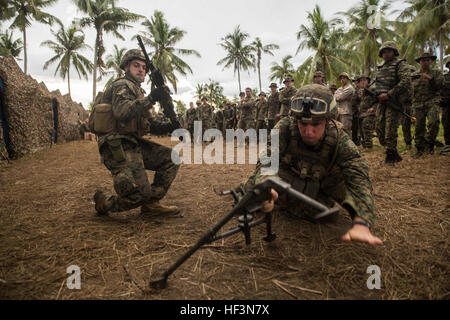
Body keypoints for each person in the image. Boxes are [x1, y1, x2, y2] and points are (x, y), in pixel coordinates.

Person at [244, 84, 382, 245]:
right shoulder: (284, 128)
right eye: (303, 124)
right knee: (251, 192)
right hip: (287, 176)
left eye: (316, 125)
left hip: (322, 183)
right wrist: (266, 185)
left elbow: (359, 178)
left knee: (321, 212)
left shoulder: (340, 140)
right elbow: (268, 159)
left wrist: (361, 221)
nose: (309, 132)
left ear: (328, 120)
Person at [93, 49, 181, 217]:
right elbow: (122, 112)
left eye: (143, 67)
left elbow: (149, 124)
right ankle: (106, 204)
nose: (141, 70)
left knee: (172, 158)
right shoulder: (122, 85)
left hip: (132, 142)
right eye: (136, 66)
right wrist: (152, 98)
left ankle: (150, 204)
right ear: (126, 67)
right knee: (138, 192)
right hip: (116, 144)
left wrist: (171, 126)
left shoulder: (137, 90)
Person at [374, 41, 411, 164]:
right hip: (381, 102)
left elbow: (405, 81)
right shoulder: (381, 67)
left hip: (394, 102)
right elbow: (377, 84)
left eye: (388, 51)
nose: (386, 54)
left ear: (394, 52)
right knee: (379, 128)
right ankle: (393, 152)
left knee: (390, 129)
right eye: (384, 52)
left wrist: (389, 94)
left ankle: (390, 155)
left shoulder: (400, 64)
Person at [410, 52, 443, 157]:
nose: (425, 62)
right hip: (417, 104)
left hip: (432, 101)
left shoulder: (436, 73)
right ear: (419, 62)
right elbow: (409, 90)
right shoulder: (414, 75)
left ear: (431, 61)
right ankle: (419, 149)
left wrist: (430, 79)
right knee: (418, 127)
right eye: (423, 60)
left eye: (428, 60)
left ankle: (430, 144)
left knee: (434, 122)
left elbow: (440, 85)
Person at [355, 75, 377, 148]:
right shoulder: (360, 91)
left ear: (368, 81)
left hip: (370, 113)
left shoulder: (372, 89)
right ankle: (364, 145)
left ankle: (369, 145)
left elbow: (378, 100)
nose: (363, 82)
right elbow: (357, 101)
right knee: (361, 130)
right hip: (361, 113)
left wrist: (373, 108)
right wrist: (358, 107)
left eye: (364, 80)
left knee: (366, 126)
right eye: (361, 81)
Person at [334, 72, 355, 137]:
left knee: (346, 130)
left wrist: (339, 96)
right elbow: (334, 97)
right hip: (339, 112)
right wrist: (339, 96)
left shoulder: (350, 88)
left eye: (344, 78)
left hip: (346, 112)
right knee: (338, 129)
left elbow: (339, 97)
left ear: (347, 79)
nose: (342, 80)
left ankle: (350, 146)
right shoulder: (339, 89)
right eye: (341, 78)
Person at [441, 60, 450, 150]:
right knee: (446, 123)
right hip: (446, 104)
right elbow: (440, 89)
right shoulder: (444, 77)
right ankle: (448, 143)